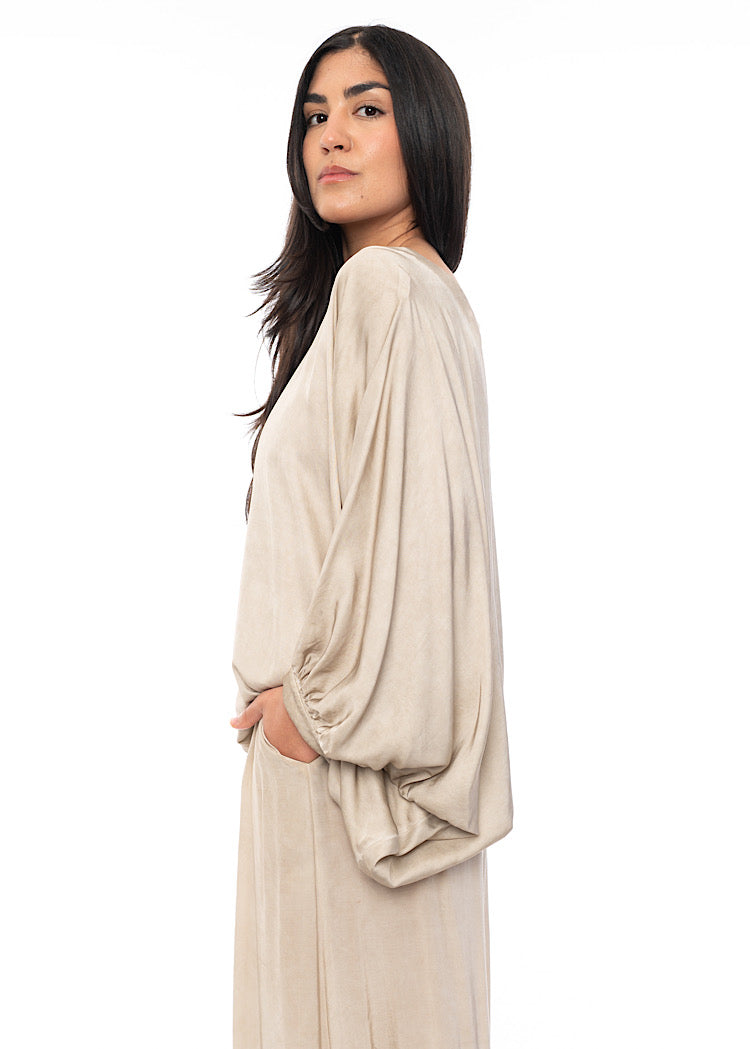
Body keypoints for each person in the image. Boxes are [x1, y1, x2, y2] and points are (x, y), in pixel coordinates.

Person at [228, 23, 513, 1049]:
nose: (331, 136)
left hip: (347, 780)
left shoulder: (386, 286)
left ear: (426, 130)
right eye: (315, 115)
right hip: (337, 773)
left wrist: (307, 715)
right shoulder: (422, 295)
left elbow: (415, 541)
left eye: (367, 108)